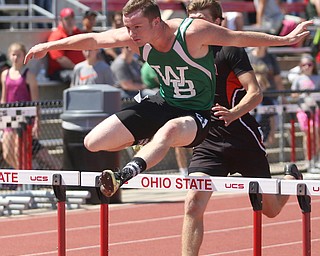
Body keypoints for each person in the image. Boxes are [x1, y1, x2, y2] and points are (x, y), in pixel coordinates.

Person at [24, 0, 311, 198]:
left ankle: (123, 175)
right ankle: (143, 139)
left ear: (157, 23)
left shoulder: (193, 32)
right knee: (93, 141)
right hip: (164, 103)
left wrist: (284, 41)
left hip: (198, 113)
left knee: (170, 132)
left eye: (137, 28)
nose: (131, 35)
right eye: (128, 28)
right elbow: (94, 40)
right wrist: (49, 45)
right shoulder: (136, 36)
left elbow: (237, 37)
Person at [182, 1, 304, 255]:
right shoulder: (182, 53)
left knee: (270, 210)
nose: (195, 25)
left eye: (201, 19)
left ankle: (292, 178)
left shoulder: (230, 50)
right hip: (208, 144)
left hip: (243, 139)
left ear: (218, 23)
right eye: (191, 19)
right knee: (193, 203)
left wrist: (232, 113)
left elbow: (255, 93)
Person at [1, 42, 60, 171]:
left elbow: (35, 102)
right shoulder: (5, 75)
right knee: (7, 152)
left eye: (19, 55)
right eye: (13, 55)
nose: (16, 58)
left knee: (20, 151)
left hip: (25, 117)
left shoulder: (29, 76)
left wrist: (37, 122)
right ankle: (26, 174)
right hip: (9, 117)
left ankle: (25, 178)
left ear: (24, 56)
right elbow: (4, 99)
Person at [291, 54, 320, 160]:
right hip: (303, 109)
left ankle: (316, 158)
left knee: (316, 133)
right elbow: (293, 95)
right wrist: (301, 93)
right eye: (304, 65)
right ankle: (308, 159)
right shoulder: (298, 79)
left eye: (309, 64)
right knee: (307, 134)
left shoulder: (318, 77)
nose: (307, 67)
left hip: (315, 110)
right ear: (301, 66)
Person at [47, 8, 85, 83]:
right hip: (60, 71)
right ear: (61, 20)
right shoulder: (57, 35)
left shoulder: (77, 33)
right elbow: (60, 59)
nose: (70, 21)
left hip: (78, 68)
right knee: (79, 76)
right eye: (66, 19)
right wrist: (77, 68)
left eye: (72, 18)